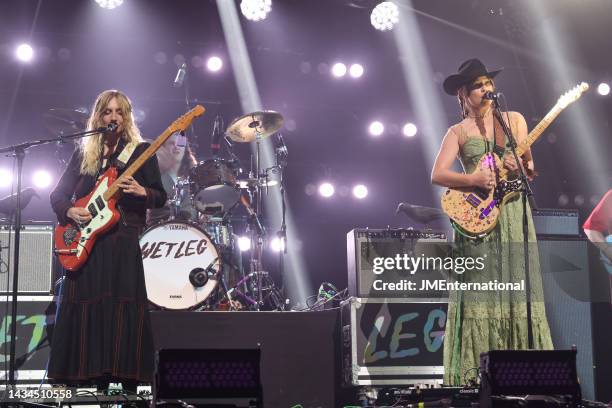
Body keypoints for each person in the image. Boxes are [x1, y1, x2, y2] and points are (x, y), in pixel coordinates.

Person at [431, 59, 553, 385]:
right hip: (477, 218)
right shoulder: (457, 132)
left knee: (518, 287)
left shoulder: (512, 120)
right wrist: (472, 179)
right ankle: (477, 379)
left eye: (488, 83)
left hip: (513, 211)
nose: (486, 89)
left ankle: (526, 375)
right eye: (478, 85)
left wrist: (522, 163)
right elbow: (437, 174)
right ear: (463, 93)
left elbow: (530, 171)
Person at [48, 90, 167, 391]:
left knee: (121, 307)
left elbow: (162, 196)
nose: (113, 117)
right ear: (98, 117)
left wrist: (144, 193)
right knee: (85, 305)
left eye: (119, 112)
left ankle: (123, 379)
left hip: (122, 240)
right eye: (107, 112)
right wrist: (70, 210)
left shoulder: (140, 152)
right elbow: (58, 195)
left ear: (127, 117)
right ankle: (83, 376)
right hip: (88, 245)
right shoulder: (84, 153)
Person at [146, 131, 198, 226]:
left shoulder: (194, 177)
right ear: (163, 148)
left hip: (189, 232)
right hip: (157, 230)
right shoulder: (153, 174)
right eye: (171, 143)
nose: (176, 147)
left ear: (185, 149)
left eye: (180, 144)